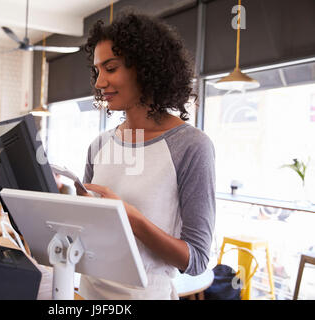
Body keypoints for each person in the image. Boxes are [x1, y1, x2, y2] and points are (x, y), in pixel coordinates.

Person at [76, 12, 216, 300]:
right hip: (87, 295)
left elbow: (197, 259)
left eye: (110, 68)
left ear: (145, 68)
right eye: (97, 71)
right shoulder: (98, 145)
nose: (100, 82)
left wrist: (131, 218)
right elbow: (86, 233)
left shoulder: (191, 147)